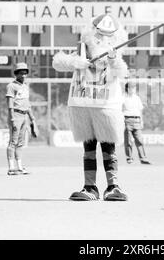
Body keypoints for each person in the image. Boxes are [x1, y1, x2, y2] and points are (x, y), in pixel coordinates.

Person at [52, 14, 129, 201]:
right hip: (82, 104)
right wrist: (74, 62)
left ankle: (113, 186)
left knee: (108, 148)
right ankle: (90, 187)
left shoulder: (115, 54)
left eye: (108, 36)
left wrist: (113, 59)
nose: (103, 39)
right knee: (89, 148)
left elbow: (121, 72)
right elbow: (57, 62)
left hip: (106, 106)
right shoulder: (82, 49)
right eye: (99, 35)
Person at [5, 62, 36, 176]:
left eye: (25, 73)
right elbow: (10, 103)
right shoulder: (11, 86)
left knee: (21, 143)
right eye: (21, 73)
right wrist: (12, 118)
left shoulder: (25, 86)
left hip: (24, 116)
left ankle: (19, 166)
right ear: (16, 74)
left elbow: (27, 104)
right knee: (13, 142)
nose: (23, 75)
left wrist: (32, 118)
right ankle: (11, 167)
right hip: (16, 115)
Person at [123, 82, 151, 164]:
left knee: (140, 140)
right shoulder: (123, 98)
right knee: (128, 141)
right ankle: (129, 158)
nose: (133, 89)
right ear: (127, 89)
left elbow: (140, 110)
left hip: (137, 120)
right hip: (127, 120)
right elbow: (120, 110)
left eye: (134, 88)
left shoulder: (137, 98)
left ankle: (143, 158)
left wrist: (141, 121)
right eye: (131, 88)